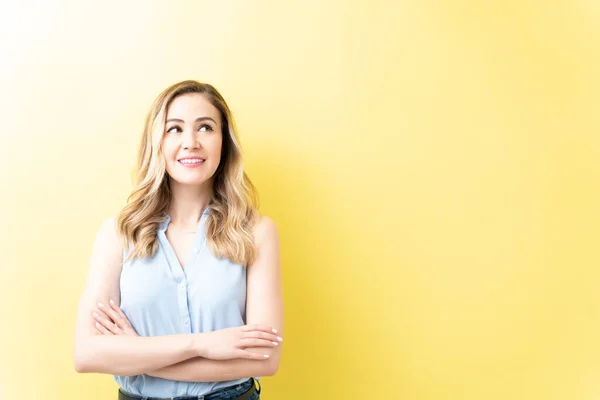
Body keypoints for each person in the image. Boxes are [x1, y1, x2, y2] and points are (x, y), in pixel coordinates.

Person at [73, 80, 284, 400]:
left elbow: (266, 359)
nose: (191, 142)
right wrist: (202, 344)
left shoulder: (256, 232)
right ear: (156, 142)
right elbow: (86, 353)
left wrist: (136, 355)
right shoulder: (119, 233)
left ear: (223, 143)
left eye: (205, 128)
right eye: (175, 129)